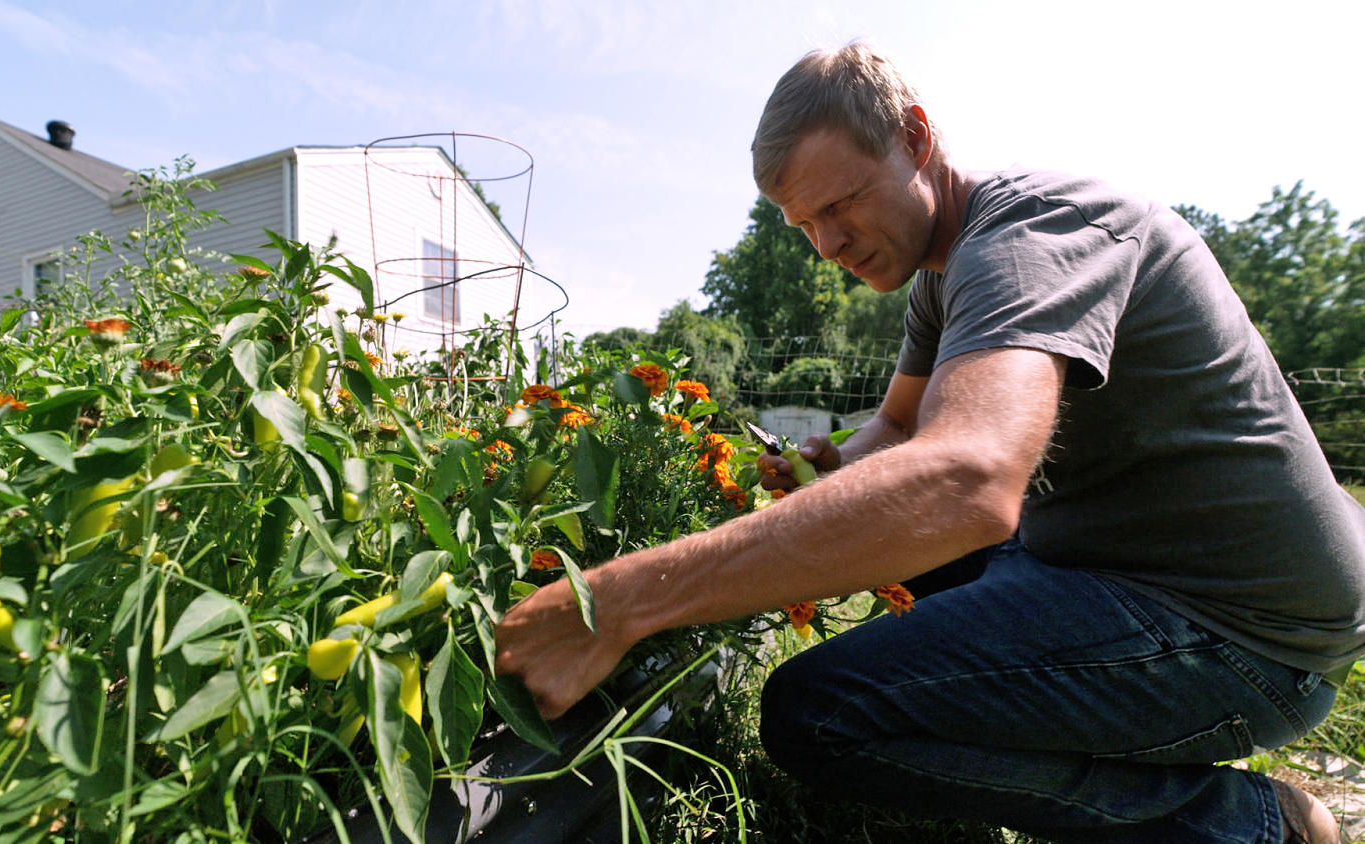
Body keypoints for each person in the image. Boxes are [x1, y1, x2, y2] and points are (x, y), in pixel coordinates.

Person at [494, 41, 1365, 843]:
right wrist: (819, 473)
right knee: (873, 533)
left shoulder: (1035, 232)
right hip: (1115, 569)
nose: (827, 244)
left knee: (820, 712)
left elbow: (967, 480)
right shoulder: (941, 279)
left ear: (915, 138)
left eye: (839, 205)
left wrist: (623, 598)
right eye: (804, 225)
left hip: (1248, 636)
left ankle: (1244, 824)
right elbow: (901, 431)